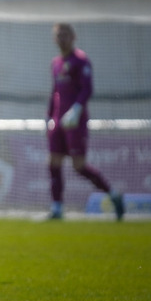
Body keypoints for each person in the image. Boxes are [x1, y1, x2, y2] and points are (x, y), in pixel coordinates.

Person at [46, 23, 124, 221]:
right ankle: (57, 208)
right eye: (59, 35)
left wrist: (76, 109)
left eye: (66, 34)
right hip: (58, 121)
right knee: (53, 162)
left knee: (78, 166)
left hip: (75, 121)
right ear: (55, 39)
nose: (62, 38)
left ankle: (113, 194)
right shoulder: (55, 63)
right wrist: (49, 117)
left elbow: (87, 89)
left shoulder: (81, 60)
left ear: (74, 37)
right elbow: (54, 92)